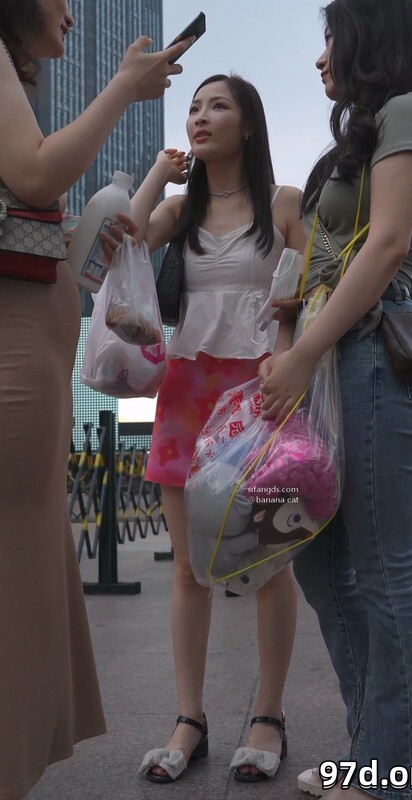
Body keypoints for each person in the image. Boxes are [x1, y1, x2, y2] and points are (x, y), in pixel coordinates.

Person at [0, 2, 191, 798]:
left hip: (31, 347)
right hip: (17, 357)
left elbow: (25, 205)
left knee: (26, 569)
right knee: (16, 578)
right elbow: (34, 173)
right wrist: (122, 88)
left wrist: (82, 229)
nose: (72, 12)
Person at [259, 1, 412, 798]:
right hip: (334, 366)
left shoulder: (407, 110)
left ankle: (401, 772)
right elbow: (328, 255)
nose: (321, 57)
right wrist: (294, 337)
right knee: (321, 563)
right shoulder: (361, 136)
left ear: (368, 35)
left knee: (381, 571)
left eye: (331, 38)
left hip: (371, 357)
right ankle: (378, 748)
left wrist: (304, 353)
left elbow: (392, 242)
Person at [129, 74, 306, 784]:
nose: (200, 116)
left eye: (218, 106)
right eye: (194, 107)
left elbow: (303, 296)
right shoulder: (180, 210)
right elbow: (123, 244)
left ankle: (269, 715)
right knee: (189, 566)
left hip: (261, 393)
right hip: (187, 392)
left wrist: (286, 367)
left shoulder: (284, 203)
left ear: (249, 124)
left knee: (269, 562)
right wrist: (156, 175)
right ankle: (190, 719)